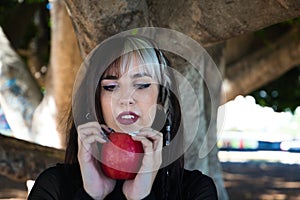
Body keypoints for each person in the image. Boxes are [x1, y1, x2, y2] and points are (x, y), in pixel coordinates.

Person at [28, 35, 218, 200]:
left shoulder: (195, 190)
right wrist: (90, 195)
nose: (126, 99)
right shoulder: (53, 185)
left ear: (161, 99)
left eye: (142, 85)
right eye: (111, 86)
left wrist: (141, 198)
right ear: (95, 100)